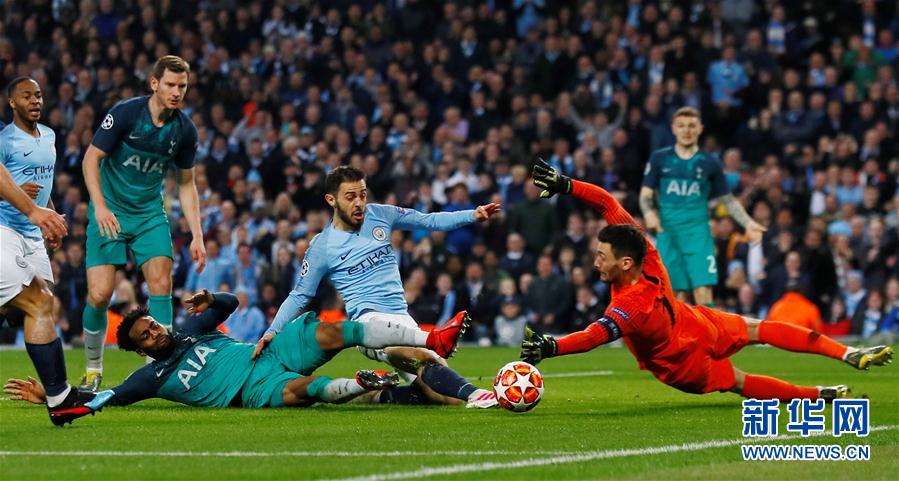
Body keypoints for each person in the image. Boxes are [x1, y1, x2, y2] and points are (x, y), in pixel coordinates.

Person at [522, 159, 893, 401]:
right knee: (758, 329)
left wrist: (552, 347)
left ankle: (821, 389)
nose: (596, 262)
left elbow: (592, 337)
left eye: (602, 256)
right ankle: (841, 358)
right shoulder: (646, 251)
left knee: (740, 380)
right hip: (692, 327)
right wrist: (567, 185)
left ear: (625, 262)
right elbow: (606, 203)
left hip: (680, 361)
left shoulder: (630, 305)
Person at [256, 166, 501, 408]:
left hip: (403, 319)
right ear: (332, 200)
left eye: (362, 195)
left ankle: (378, 395)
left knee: (445, 396)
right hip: (369, 323)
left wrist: (472, 215)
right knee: (422, 356)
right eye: (350, 197)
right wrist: (272, 331)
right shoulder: (322, 246)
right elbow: (299, 295)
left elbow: (428, 220)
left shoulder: (380, 214)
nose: (359, 203)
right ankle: (478, 395)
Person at [4, 290, 469, 411]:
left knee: (330, 331)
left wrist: (213, 299)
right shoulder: (150, 379)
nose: (155, 333)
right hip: (251, 389)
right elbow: (103, 399)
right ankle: (367, 385)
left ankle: (429, 339)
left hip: (263, 352)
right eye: (145, 336)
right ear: (137, 349)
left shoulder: (189, 329)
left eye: (153, 325)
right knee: (305, 390)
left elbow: (231, 305)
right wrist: (53, 396)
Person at [79, 55, 206, 392]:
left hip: (149, 213)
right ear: (154, 83)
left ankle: (158, 370)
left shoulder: (185, 130)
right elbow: (91, 159)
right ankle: (92, 369)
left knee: (162, 283)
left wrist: (197, 234)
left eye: (182, 86)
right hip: (110, 211)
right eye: (170, 85)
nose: (177, 92)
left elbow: (186, 185)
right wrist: (100, 206)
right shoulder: (125, 114)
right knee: (99, 294)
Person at [0, 76, 93, 426]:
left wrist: (48, 217)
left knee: (40, 306)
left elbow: (45, 185)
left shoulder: (50, 137)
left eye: (38, 95)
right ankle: (59, 397)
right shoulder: (4, 139)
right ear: (12, 102)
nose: (35, 101)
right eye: (26, 96)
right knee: (36, 302)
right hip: (5, 229)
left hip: (31, 232)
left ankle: (56, 394)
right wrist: (26, 204)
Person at [639, 107, 765, 307]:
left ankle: (705, 328)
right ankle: (676, 328)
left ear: (700, 128)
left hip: (698, 235)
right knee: (674, 294)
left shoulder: (710, 162)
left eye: (691, 126)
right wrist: (648, 213)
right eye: (681, 126)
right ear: (673, 128)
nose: (686, 130)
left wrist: (748, 223)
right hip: (669, 234)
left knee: (703, 292)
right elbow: (645, 195)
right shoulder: (659, 159)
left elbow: (728, 200)